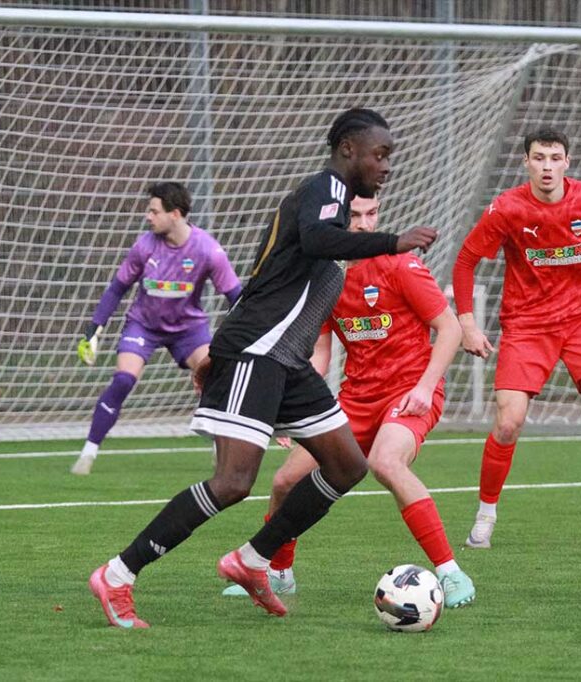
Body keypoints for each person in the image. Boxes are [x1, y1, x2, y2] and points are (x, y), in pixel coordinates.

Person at [88, 107, 438, 627]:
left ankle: (252, 561)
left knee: (347, 467)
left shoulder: (335, 205)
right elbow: (317, 244)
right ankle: (117, 574)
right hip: (256, 352)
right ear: (348, 150)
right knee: (232, 483)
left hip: (286, 361)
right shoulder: (326, 189)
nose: (387, 165)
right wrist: (392, 240)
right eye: (380, 154)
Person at [221, 195, 476, 607]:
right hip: (354, 401)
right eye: (353, 216)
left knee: (385, 462)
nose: (362, 224)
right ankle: (279, 573)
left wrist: (426, 386)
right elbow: (318, 355)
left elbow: (449, 329)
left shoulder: (401, 264)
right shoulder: (325, 279)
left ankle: (450, 572)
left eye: (370, 214)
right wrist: (290, 410)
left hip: (408, 391)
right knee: (286, 481)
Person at [452, 128, 581, 549]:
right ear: (526, 163)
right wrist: (467, 324)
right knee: (508, 422)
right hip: (526, 326)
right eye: (538, 157)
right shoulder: (507, 210)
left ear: (567, 162)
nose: (546, 166)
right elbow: (466, 260)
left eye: (554, 158)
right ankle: (485, 517)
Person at [71, 182, 242, 475]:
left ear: (175, 214)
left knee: (215, 378)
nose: (148, 216)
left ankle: (219, 448)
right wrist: (94, 328)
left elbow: (236, 297)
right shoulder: (144, 246)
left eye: (154, 211)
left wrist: (242, 336)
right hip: (143, 325)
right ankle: (88, 454)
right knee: (123, 380)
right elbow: (117, 288)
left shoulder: (208, 250)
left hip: (189, 328)